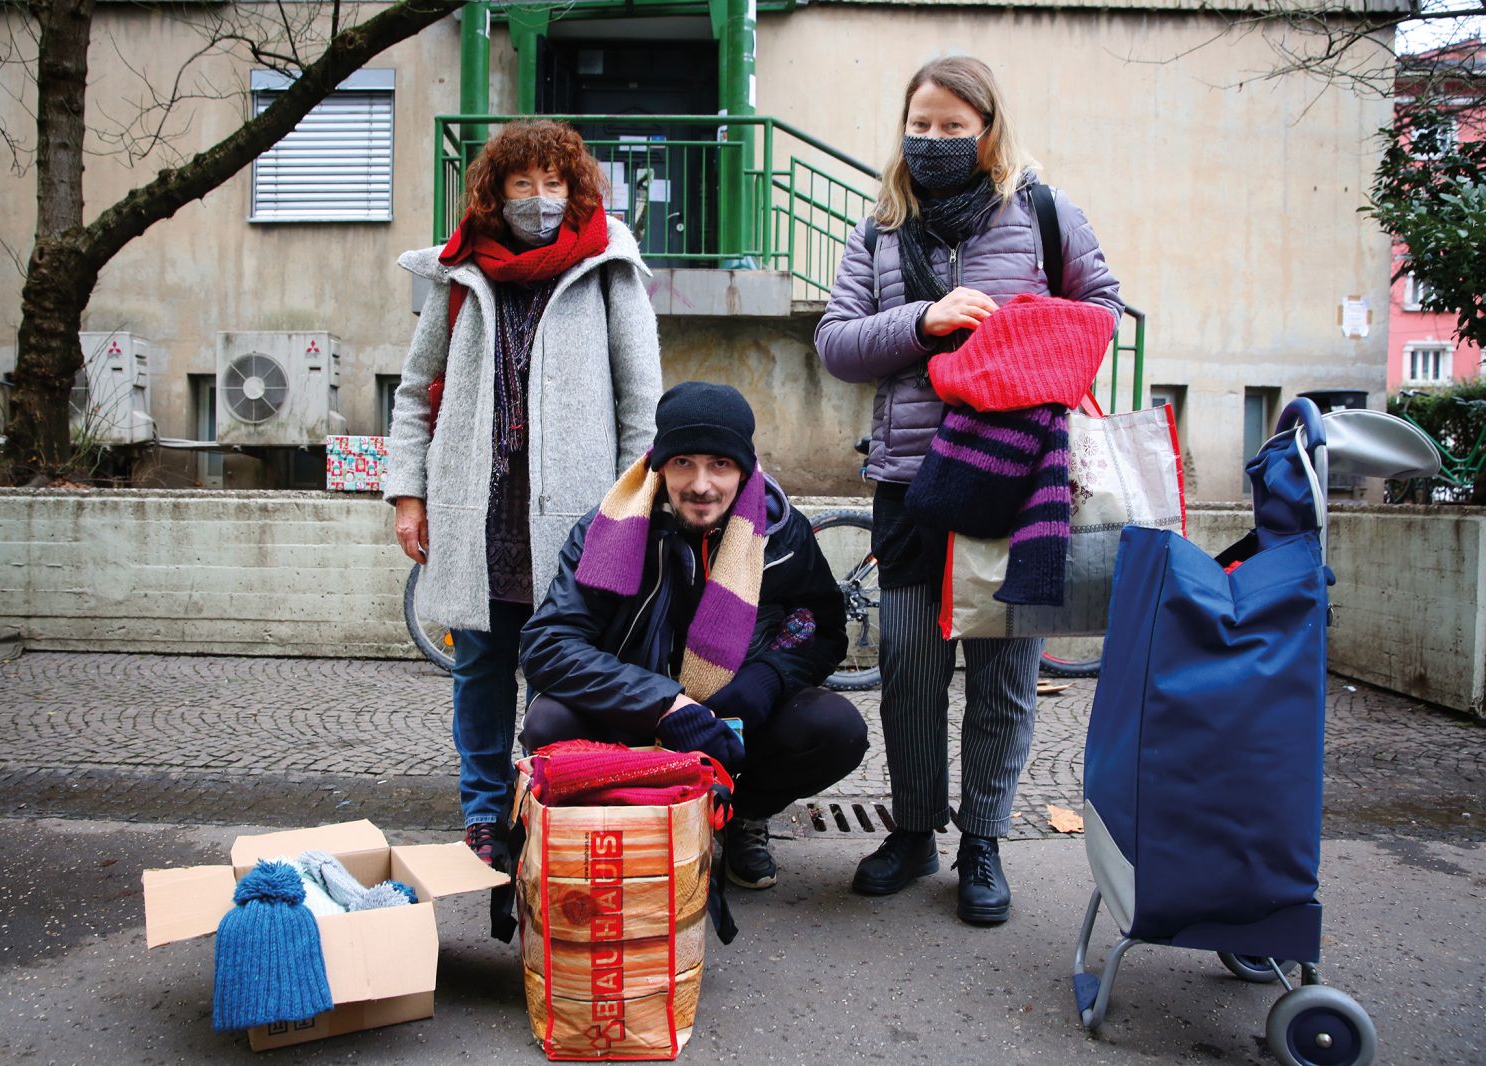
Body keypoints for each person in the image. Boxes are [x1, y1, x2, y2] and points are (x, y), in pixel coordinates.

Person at [815, 56, 1122, 924]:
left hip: (1019, 479)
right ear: (903, 127)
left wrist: (1016, 340)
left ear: (988, 130)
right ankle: (913, 831)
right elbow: (836, 344)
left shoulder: (1045, 214)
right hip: (912, 482)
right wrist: (927, 319)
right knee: (910, 666)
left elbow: (1101, 312)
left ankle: (982, 842)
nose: (937, 140)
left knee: (1003, 676)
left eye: (956, 125)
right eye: (924, 124)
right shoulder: (877, 230)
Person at [385, 120, 662, 864]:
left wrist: (634, 511)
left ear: (574, 192)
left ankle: (555, 800)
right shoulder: (460, 273)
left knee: (564, 668)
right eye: (522, 185)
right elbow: (415, 394)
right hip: (475, 508)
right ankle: (482, 813)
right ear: (496, 192)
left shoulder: (609, 267)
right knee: (478, 668)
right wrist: (407, 494)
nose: (539, 200)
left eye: (553, 184)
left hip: (577, 518)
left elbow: (641, 405)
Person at [517, 381, 869, 889]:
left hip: (733, 715)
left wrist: (769, 677)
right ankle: (625, 824)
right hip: (633, 713)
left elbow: (818, 626)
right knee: (548, 721)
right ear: (659, 465)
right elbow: (549, 643)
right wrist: (662, 704)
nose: (701, 485)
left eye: (719, 465)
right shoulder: (608, 527)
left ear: (744, 469)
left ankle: (744, 816)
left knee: (837, 728)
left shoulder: (781, 531)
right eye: (684, 462)